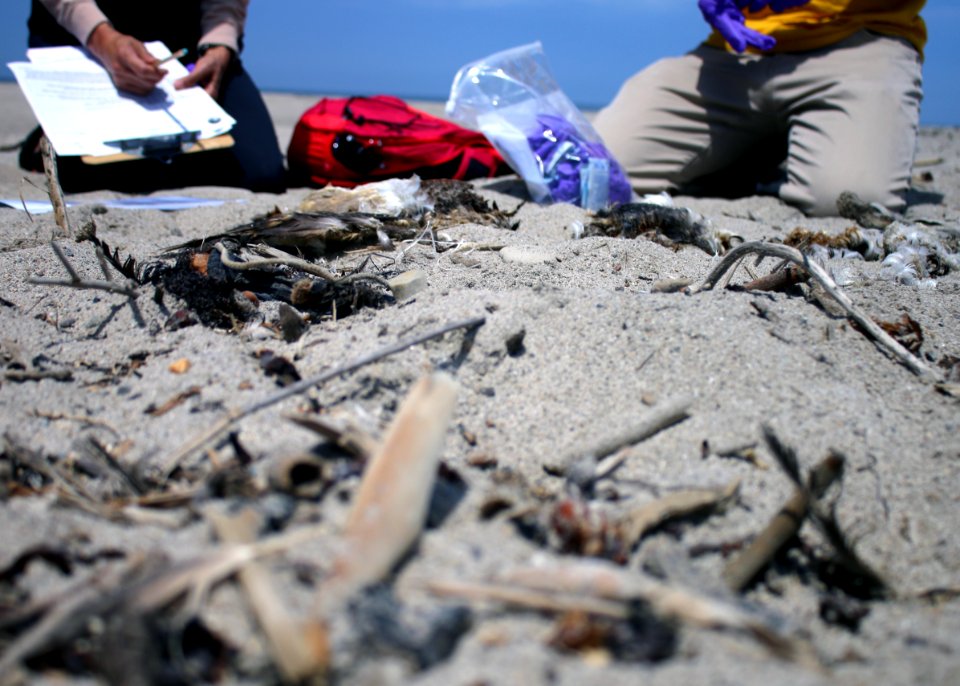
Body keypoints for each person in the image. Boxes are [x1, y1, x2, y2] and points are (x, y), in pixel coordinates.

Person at [592, 1, 927, 217]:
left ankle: (810, 144)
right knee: (592, 171)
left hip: (862, 42)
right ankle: (760, 151)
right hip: (734, 50)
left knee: (848, 200)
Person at [21, 0, 287, 193]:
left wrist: (219, 44)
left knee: (261, 173)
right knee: (81, 177)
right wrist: (103, 39)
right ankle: (52, 135)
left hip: (182, 41)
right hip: (81, 36)